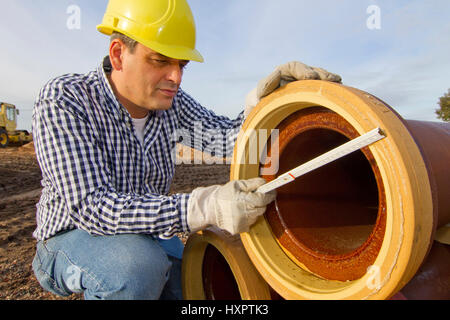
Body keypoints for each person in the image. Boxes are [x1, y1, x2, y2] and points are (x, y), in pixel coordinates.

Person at [31, 0, 341, 300]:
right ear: (118, 54)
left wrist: (264, 104)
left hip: (146, 234)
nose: (176, 77)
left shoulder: (171, 105)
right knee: (135, 270)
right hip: (71, 236)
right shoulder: (66, 100)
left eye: (181, 64)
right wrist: (203, 207)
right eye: (160, 60)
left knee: (198, 278)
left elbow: (227, 140)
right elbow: (93, 208)